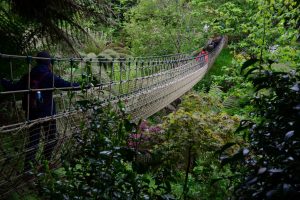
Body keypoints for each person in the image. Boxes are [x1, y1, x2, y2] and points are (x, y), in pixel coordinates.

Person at [0, 51, 80, 172]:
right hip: (48, 114)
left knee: (33, 141)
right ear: (48, 63)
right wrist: (85, 84)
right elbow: (68, 86)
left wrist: (2, 79)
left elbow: (13, 88)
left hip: (32, 113)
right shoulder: (50, 76)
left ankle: (28, 169)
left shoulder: (28, 76)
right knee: (51, 138)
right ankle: (45, 164)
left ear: (37, 62)